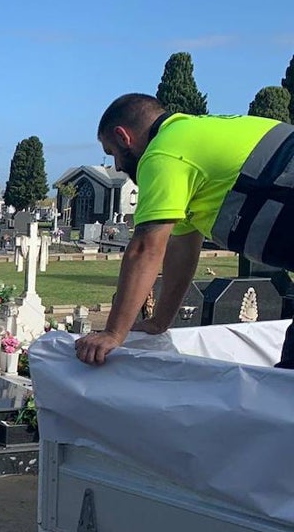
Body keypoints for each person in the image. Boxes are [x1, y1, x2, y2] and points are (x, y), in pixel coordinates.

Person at [76, 93, 294, 368]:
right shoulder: (192, 138)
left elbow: (146, 248)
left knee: (286, 388)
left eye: (113, 154)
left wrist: (113, 333)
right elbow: (182, 249)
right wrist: (159, 322)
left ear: (123, 136)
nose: (118, 166)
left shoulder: (163, 153)